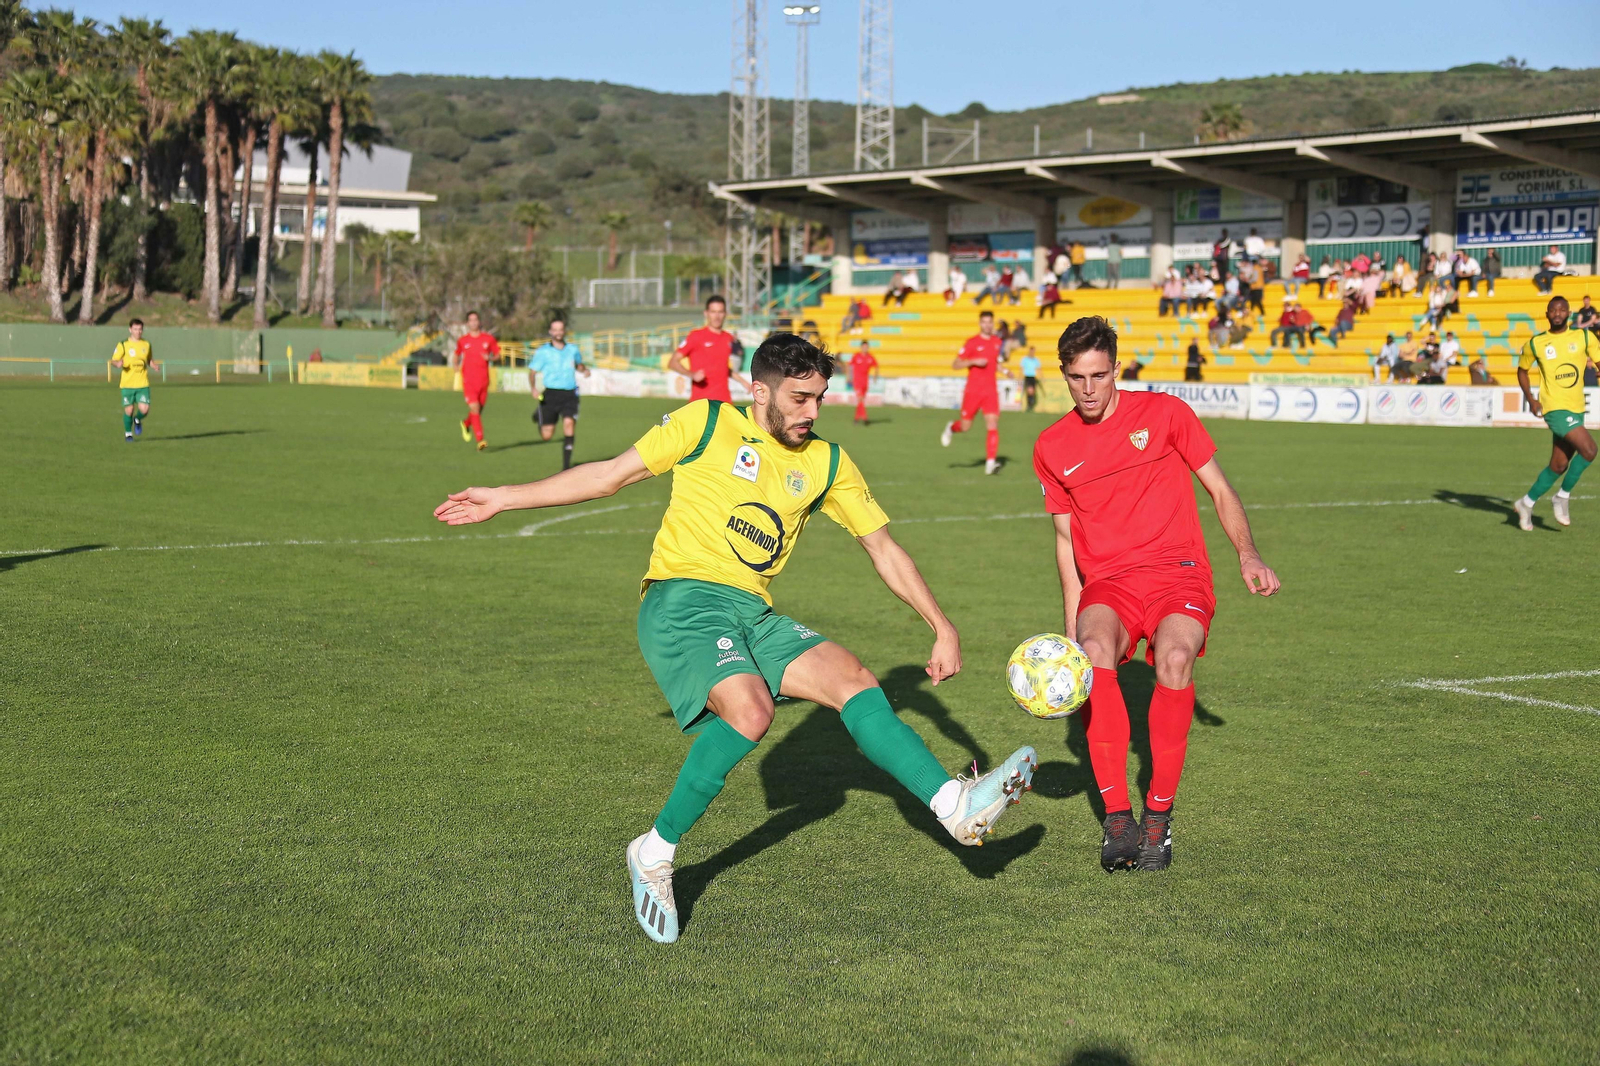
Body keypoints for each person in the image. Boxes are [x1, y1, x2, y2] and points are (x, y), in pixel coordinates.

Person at [433, 334, 1041, 943]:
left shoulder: (828, 462)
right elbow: (610, 475)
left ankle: (952, 808)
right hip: (681, 599)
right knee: (751, 710)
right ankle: (653, 852)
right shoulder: (705, 424)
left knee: (853, 678)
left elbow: (883, 547)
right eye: (799, 398)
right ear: (759, 391)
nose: (811, 411)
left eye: (820, 399)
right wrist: (504, 498)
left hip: (751, 611)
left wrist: (942, 624)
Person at [1034, 316, 1279, 873]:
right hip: (1110, 583)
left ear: (1117, 368)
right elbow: (1064, 542)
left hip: (1179, 572)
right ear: (1064, 376)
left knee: (1173, 660)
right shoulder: (1052, 445)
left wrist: (1247, 552)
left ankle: (1158, 817)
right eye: (1077, 378)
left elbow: (1219, 487)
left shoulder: (1167, 414)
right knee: (1095, 653)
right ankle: (1117, 817)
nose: (1089, 389)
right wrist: (1071, 628)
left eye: (1099, 375)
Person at [1513, 296, 1598, 531]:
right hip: (1554, 408)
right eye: (1553, 310)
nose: (1558, 313)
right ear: (1547, 314)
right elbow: (1522, 371)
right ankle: (1562, 496)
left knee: (1559, 465)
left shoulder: (1583, 336)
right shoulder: (1537, 343)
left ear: (1569, 313)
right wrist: (1531, 399)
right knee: (1590, 450)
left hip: (1576, 408)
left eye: (1562, 309)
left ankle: (1525, 503)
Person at [940, 310, 1006, 475]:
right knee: (965, 426)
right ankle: (951, 427)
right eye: (984, 322)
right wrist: (973, 361)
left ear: (993, 323)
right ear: (980, 323)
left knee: (992, 424)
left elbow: (993, 362)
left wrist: (1004, 370)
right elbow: (955, 364)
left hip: (990, 391)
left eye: (990, 322)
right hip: (973, 391)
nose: (987, 325)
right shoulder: (971, 343)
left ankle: (990, 463)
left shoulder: (997, 342)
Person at [527, 317, 590, 470]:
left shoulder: (572, 349)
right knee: (547, 436)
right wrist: (534, 388)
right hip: (550, 395)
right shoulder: (543, 352)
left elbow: (578, 365)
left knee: (569, 423)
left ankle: (566, 467)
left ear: (564, 331)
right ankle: (539, 415)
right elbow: (532, 372)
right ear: (550, 332)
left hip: (569, 394)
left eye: (560, 329)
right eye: (555, 329)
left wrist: (584, 370)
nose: (558, 332)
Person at [671, 295, 750, 402]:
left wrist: (743, 382)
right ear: (706, 313)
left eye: (720, 312)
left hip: (724, 402)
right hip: (701, 402)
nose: (717, 316)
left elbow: (723, 367)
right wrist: (692, 374)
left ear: (725, 314)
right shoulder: (696, 336)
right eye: (713, 312)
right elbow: (673, 362)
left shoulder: (728, 338)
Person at [454, 310, 500, 451]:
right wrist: (455, 365)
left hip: (484, 381)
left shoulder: (488, 339)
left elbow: (497, 354)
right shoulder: (463, 340)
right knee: (474, 408)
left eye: (475, 320)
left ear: (479, 322)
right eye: (471, 320)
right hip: (469, 380)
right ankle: (480, 440)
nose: (473, 322)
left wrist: (490, 358)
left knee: (477, 412)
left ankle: (466, 423)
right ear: (467, 323)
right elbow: (457, 354)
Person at [112, 318, 157, 441]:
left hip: (142, 383)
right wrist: (118, 364)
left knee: (145, 409)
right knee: (129, 410)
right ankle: (128, 434)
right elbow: (114, 360)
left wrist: (153, 365)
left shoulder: (146, 344)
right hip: (127, 384)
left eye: (140, 329)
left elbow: (149, 359)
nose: (138, 332)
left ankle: (137, 419)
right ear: (130, 329)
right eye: (135, 329)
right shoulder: (123, 344)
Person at [848, 339, 878, 424]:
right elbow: (849, 366)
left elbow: (876, 366)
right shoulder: (856, 356)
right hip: (857, 381)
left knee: (861, 401)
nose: (865, 348)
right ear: (861, 347)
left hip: (865, 381)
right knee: (860, 399)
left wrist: (875, 377)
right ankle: (865, 418)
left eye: (866, 347)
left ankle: (856, 418)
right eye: (864, 347)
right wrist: (849, 377)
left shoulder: (870, 357)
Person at [1020, 347, 1041, 411]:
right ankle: (1030, 403)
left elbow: (1039, 369)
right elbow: (1022, 368)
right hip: (1027, 376)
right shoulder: (1025, 359)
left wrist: (1041, 377)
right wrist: (1019, 377)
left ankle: (1031, 403)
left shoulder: (1036, 360)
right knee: (1029, 390)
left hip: (1033, 377)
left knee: (1032, 391)